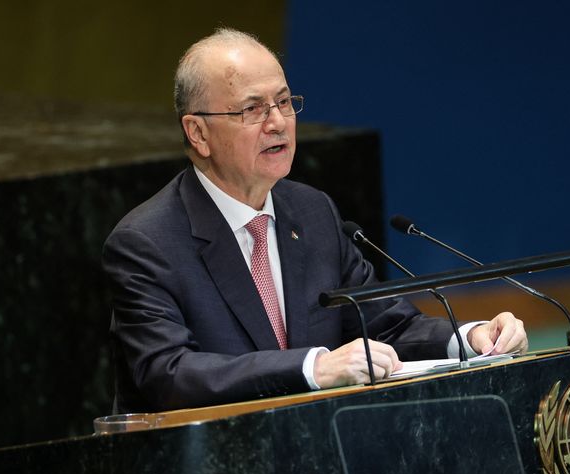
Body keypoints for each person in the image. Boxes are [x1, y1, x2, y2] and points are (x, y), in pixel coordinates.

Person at [102, 28, 527, 413]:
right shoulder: (147, 243)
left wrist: (471, 338)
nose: (278, 123)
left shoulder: (312, 212)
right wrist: (314, 367)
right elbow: (168, 374)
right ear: (198, 133)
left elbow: (388, 326)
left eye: (284, 103)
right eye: (253, 109)